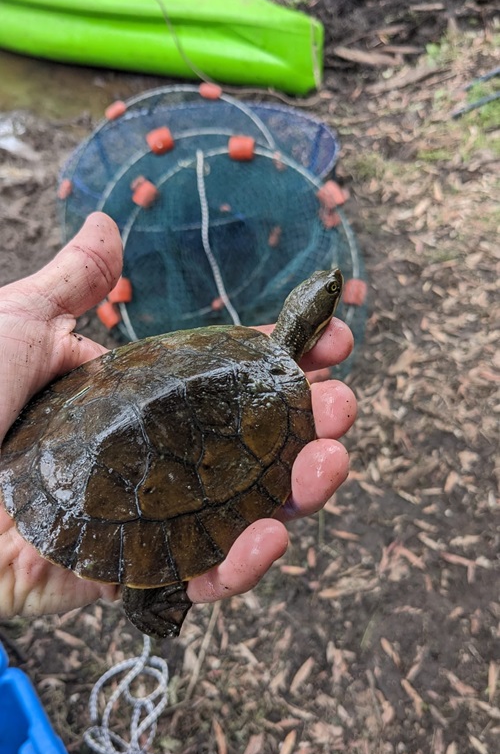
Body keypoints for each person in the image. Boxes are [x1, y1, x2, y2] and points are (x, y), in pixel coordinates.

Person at [0, 213, 356, 622]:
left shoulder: (231, 341)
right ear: (318, 319)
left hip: (51, 450)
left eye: (329, 287)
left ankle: (144, 587)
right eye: (330, 288)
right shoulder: (275, 390)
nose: (334, 280)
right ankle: (145, 592)